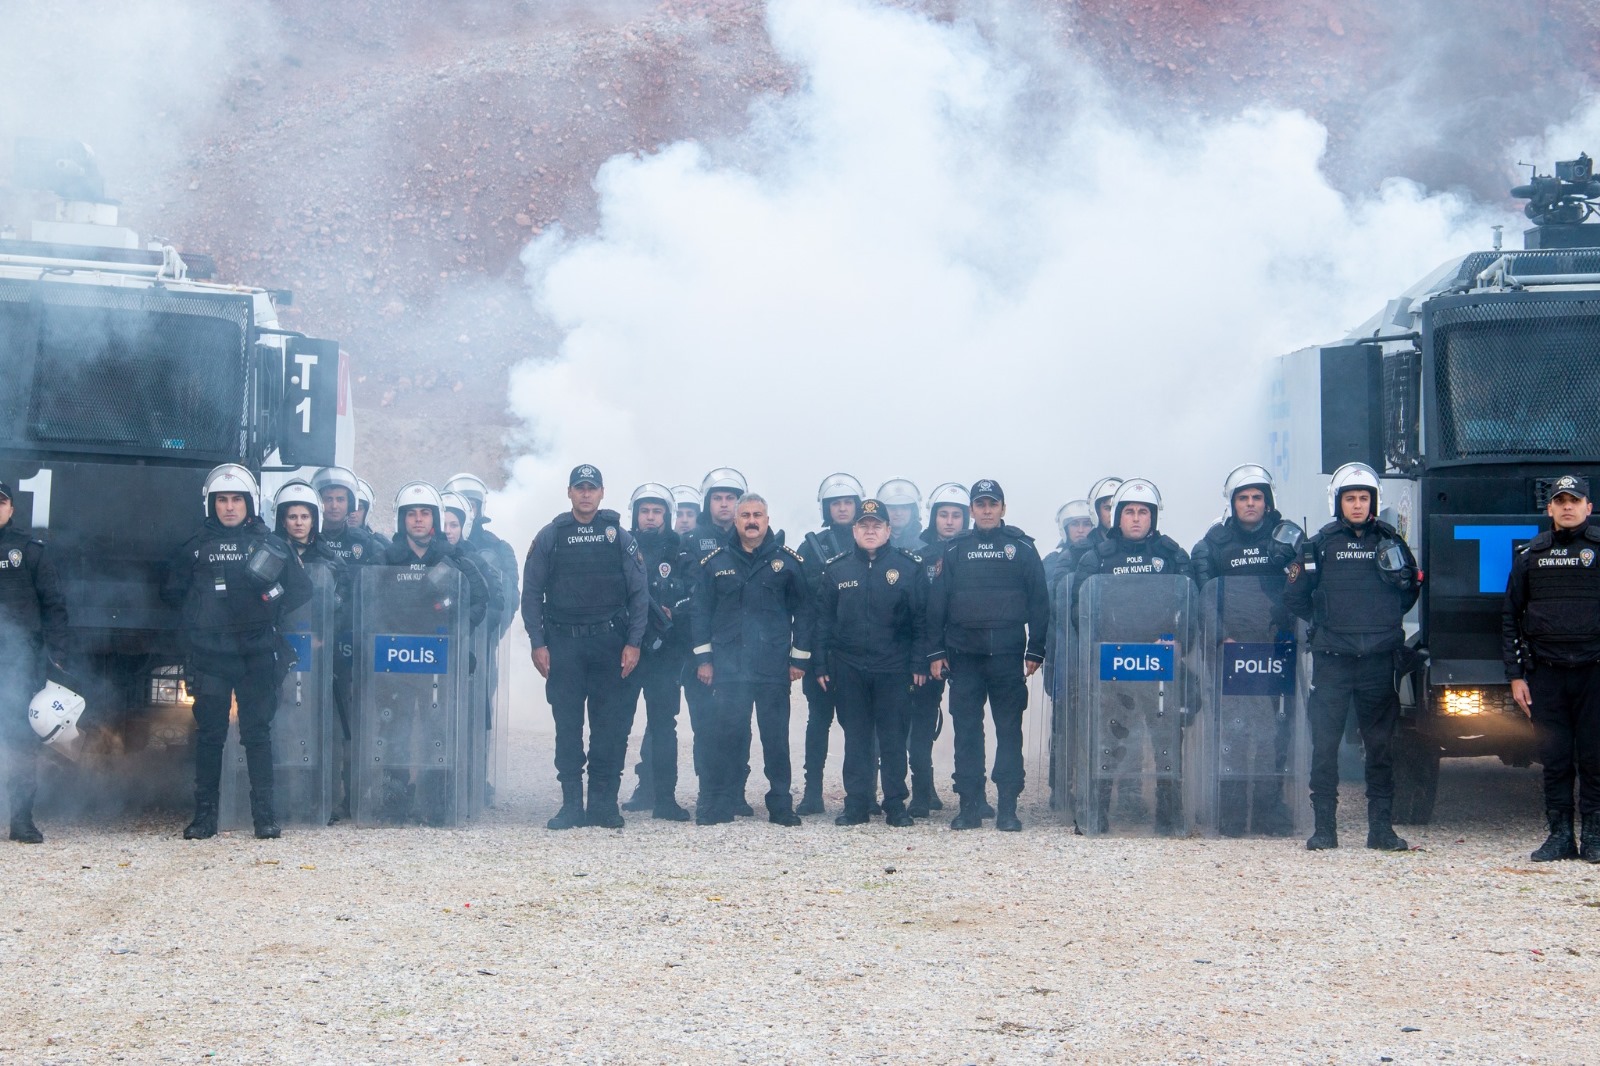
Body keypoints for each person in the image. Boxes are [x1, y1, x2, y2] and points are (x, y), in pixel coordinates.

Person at [162, 464, 312, 840]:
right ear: (211, 504)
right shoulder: (194, 546)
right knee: (210, 735)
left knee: (257, 735)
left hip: (256, 653)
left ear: (250, 503)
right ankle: (204, 818)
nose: (229, 507)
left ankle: (265, 817)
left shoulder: (271, 543)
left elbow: (301, 589)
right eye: (222, 500)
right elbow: (171, 593)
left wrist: (270, 601)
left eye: (237, 500)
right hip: (210, 655)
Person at [1284, 462, 1420, 852]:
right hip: (1333, 660)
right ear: (1338, 502)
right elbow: (1293, 595)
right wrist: (1325, 621)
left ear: (1373, 501)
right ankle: (1325, 829)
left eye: (1363, 498)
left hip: (1379, 661)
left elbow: (1408, 589)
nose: (1357, 505)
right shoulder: (1318, 544)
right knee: (1324, 746)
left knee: (1380, 747)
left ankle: (1381, 830)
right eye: (1350, 498)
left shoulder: (1391, 541)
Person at [521, 465, 649, 830]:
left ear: (602, 493)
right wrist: (538, 643)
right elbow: (530, 594)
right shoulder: (551, 536)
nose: (586, 494)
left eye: (592, 488)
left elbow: (640, 594)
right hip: (564, 647)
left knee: (609, 727)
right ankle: (571, 807)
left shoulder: (618, 536)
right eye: (580, 488)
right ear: (570, 493)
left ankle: (604, 806)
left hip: (610, 645)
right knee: (568, 727)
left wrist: (633, 643)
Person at [926, 479, 1048, 832]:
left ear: (1003, 508)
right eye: (980, 504)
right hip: (963, 657)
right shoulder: (953, 550)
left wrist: (1035, 648)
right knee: (966, 732)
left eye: (992, 504)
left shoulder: (1022, 548)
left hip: (1007, 656)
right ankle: (969, 805)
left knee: (1009, 731)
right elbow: (937, 605)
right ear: (972, 510)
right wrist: (936, 651)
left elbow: (1040, 602)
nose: (986, 510)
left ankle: (1008, 806)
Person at [1190, 464, 1303, 836]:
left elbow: (1303, 589)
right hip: (1230, 652)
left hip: (1275, 652)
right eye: (1244, 498)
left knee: (1276, 732)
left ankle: (1271, 809)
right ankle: (1233, 812)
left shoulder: (1287, 541)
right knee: (1233, 733)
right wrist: (1221, 636)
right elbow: (1204, 597)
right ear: (1232, 503)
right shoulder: (1213, 545)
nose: (1251, 504)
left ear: (1268, 502)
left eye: (1257, 497)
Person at [1076, 478, 1193, 833]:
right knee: (1108, 741)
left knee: (1165, 741)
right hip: (1112, 664)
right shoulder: (1095, 558)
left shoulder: (1172, 555)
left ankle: (1168, 816)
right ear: (1117, 517)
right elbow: (1077, 608)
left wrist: (1178, 642)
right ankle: (1096, 815)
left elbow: (1192, 604)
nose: (1137, 518)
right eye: (1129, 511)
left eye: (1144, 512)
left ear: (1153, 516)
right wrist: (1096, 645)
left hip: (1160, 663)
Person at [690, 493, 811, 826]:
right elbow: (700, 613)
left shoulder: (787, 563)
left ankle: (781, 804)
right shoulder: (715, 563)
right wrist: (705, 660)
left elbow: (804, 612)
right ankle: (722, 803)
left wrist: (798, 658)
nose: (752, 520)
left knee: (775, 739)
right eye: (745, 515)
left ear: (767, 520)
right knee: (728, 737)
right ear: (736, 521)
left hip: (772, 667)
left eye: (758, 514)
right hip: (729, 669)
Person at [1502, 474, 1600, 863]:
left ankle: (1593, 837)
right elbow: (1511, 617)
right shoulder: (1530, 555)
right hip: (1546, 675)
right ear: (1549, 509)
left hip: (1594, 672)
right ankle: (1560, 837)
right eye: (1560, 501)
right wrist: (1515, 676)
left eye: (1574, 500)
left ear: (1588, 507)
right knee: (1555, 759)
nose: (1567, 507)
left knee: (1594, 758)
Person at [814, 499, 927, 826]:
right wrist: (820, 664)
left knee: (893, 739)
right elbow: (823, 621)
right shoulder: (837, 569)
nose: (870, 531)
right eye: (864, 525)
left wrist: (919, 662)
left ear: (888, 530)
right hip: (849, 667)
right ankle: (857, 805)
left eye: (877, 525)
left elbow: (922, 620)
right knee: (857, 739)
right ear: (854, 530)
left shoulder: (908, 567)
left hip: (894, 667)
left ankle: (895, 805)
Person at [310, 466, 384, 821]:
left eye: (341, 499)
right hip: (315, 644)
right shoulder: (308, 539)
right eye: (328, 499)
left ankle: (352, 798)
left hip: (354, 645)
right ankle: (315, 795)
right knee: (315, 720)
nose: (335, 506)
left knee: (352, 724)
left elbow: (381, 592)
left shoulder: (367, 546)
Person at [0, 480, 69, 844]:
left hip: (19, 663)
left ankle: (21, 820)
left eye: (0, 503)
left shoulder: (30, 552)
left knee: (21, 744)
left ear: (11, 509)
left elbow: (55, 608)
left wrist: (56, 655)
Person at [619, 483, 693, 821]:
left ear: (667, 515)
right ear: (635, 515)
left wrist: (674, 611)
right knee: (617, 723)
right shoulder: (619, 549)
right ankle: (606, 799)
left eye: (657, 511)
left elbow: (697, 596)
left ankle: (665, 799)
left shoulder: (681, 554)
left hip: (666, 653)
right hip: (627, 652)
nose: (651, 518)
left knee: (664, 726)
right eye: (645, 511)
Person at [797, 472, 866, 816]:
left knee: (860, 725)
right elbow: (798, 603)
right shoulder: (809, 548)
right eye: (836, 503)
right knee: (818, 721)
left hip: (859, 650)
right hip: (819, 648)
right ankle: (812, 792)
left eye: (848, 502)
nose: (842, 508)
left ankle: (863, 792)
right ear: (827, 507)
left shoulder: (872, 544)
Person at [680, 467, 749, 811]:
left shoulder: (753, 540)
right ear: (707, 503)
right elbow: (692, 600)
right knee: (705, 724)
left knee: (738, 724)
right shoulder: (691, 541)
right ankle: (710, 794)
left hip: (742, 650)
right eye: (718, 498)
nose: (724, 505)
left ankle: (736, 793)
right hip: (702, 646)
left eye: (731, 498)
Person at [906, 482, 968, 817]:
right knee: (923, 722)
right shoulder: (919, 557)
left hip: (965, 648)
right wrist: (926, 654)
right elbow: (916, 611)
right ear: (933, 518)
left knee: (968, 722)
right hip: (928, 650)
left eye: (956, 515)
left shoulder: (976, 552)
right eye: (943, 514)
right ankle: (922, 790)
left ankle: (971, 792)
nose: (949, 521)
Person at [1042, 500, 1095, 584]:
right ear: (1065, 529)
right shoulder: (1052, 561)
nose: (1080, 530)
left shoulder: (1102, 558)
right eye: (1074, 524)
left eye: (1086, 524)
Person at [877, 478, 925, 552]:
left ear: (912, 511)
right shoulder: (873, 544)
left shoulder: (924, 546)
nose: (898, 513)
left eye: (904, 508)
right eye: (892, 508)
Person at [1085, 477, 1123, 549]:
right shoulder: (1079, 553)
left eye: (1117, 509)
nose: (1113, 514)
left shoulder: (1144, 548)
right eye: (1108, 508)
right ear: (1097, 511)